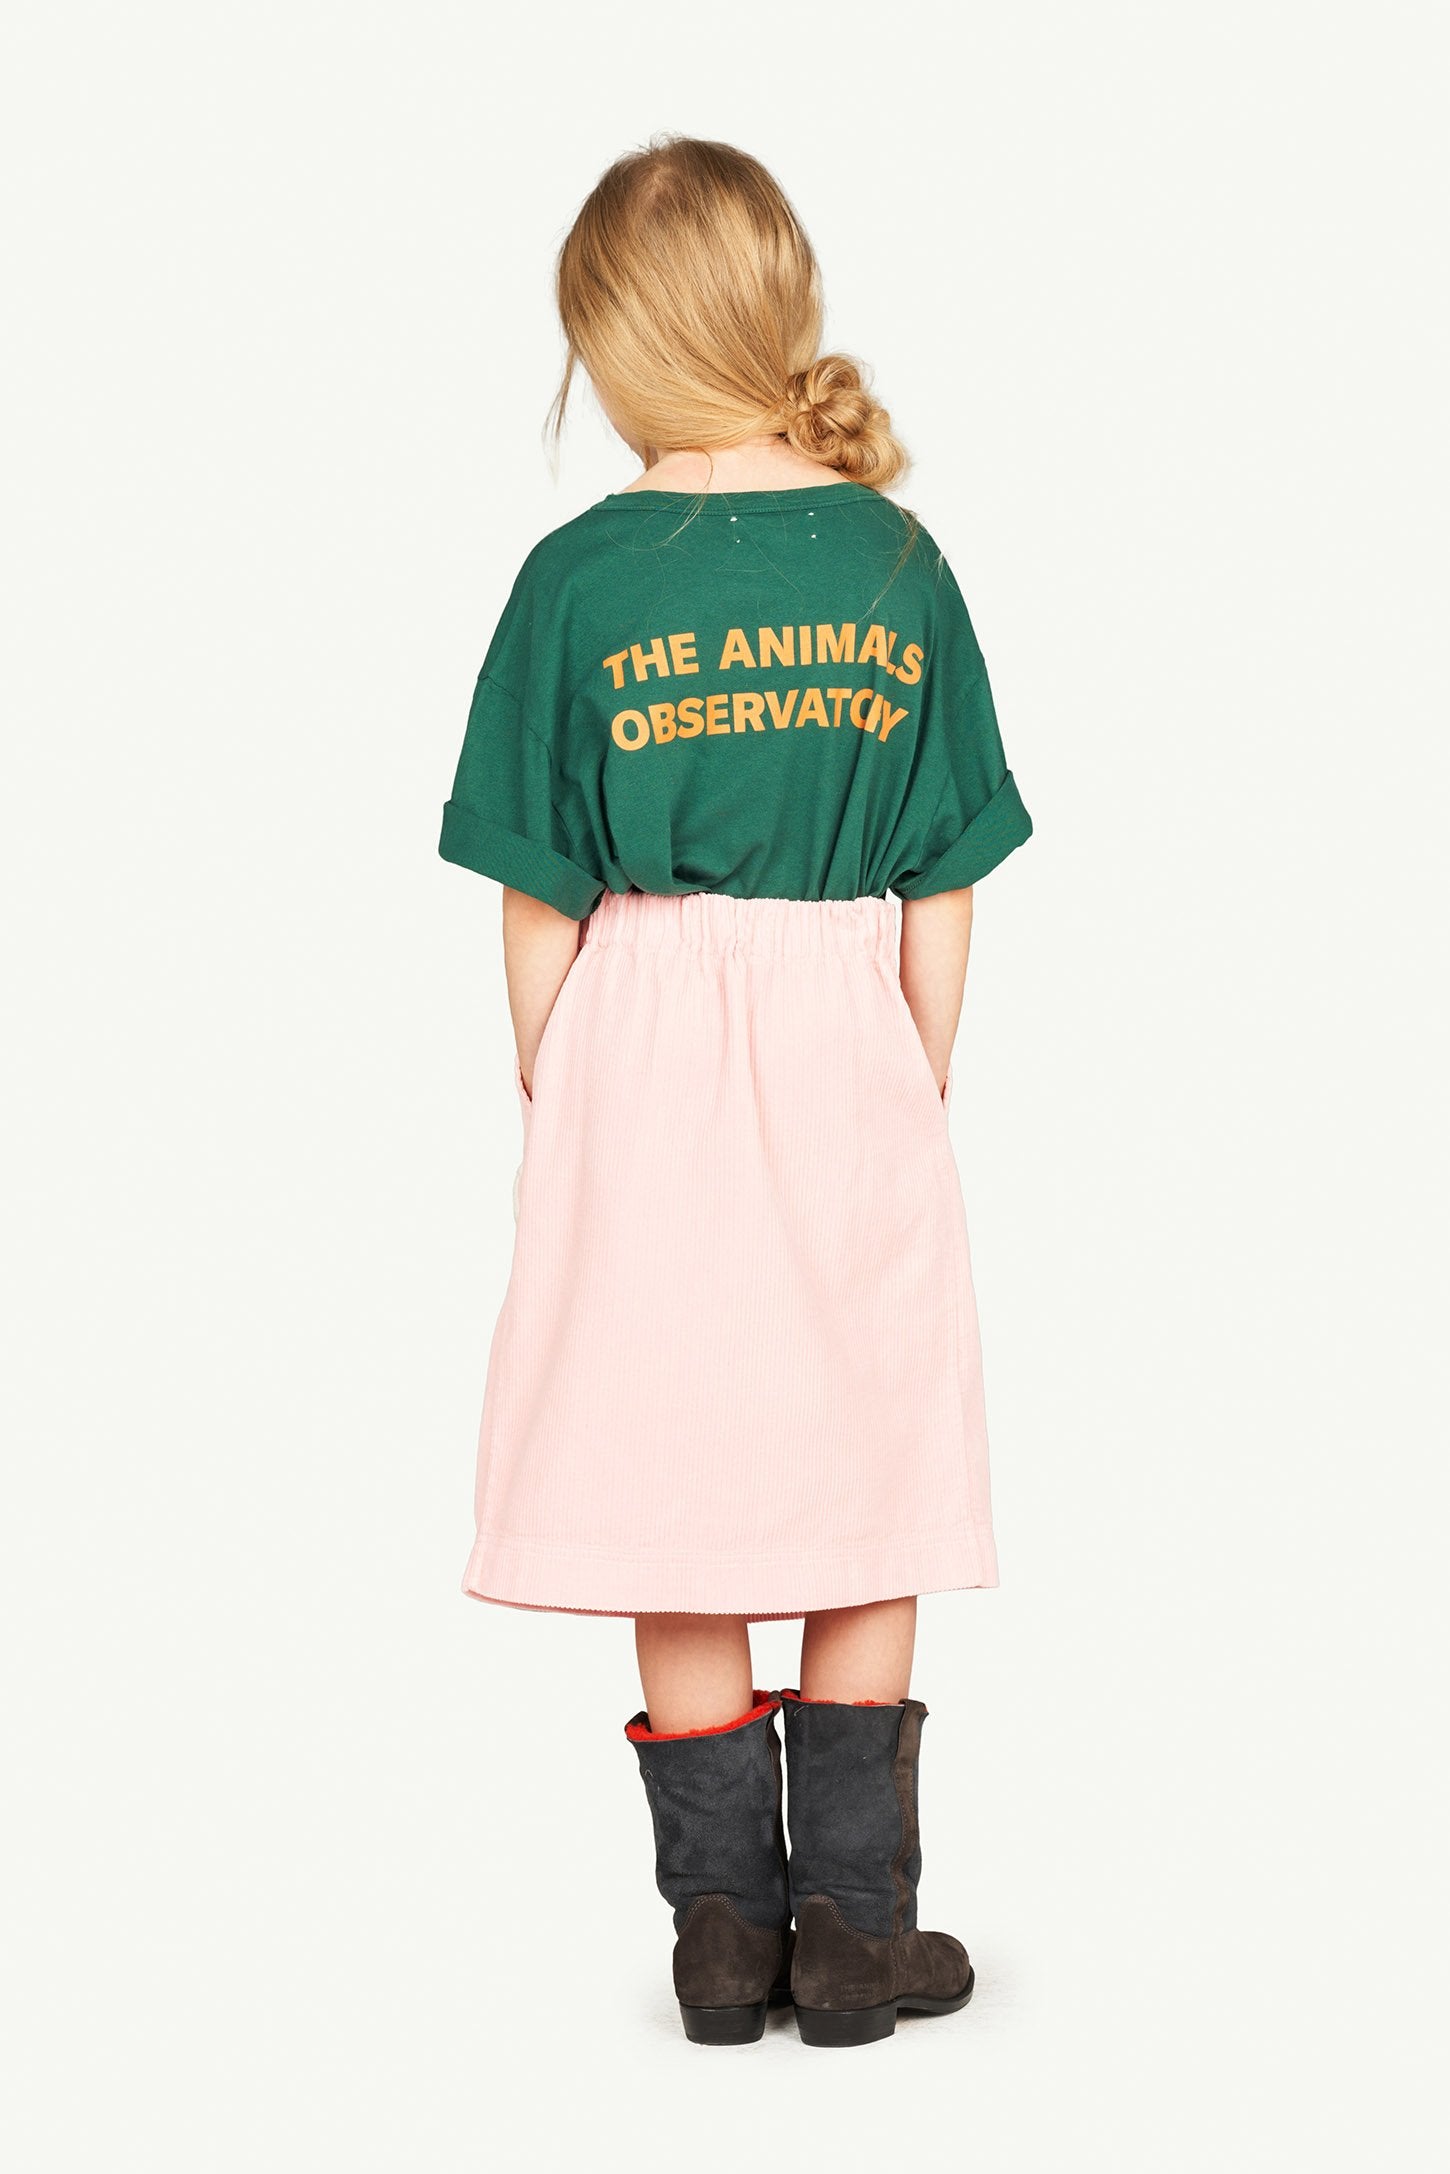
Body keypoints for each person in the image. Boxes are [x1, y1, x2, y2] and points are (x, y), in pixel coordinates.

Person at [438, 135, 1033, 2049]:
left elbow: (536, 893)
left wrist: (559, 1077)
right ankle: (854, 1925)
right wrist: (909, 1072)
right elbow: (943, 876)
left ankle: (719, 1934)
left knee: (661, 1463)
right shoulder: (896, 561)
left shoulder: (573, 579)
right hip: (843, 1018)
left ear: (610, 341)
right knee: (871, 1460)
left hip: (636, 1031)